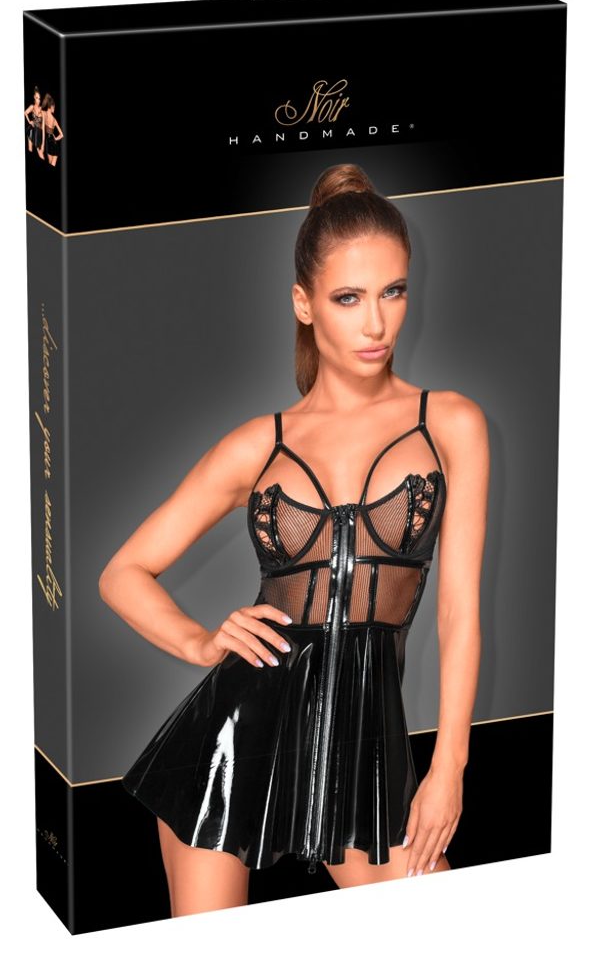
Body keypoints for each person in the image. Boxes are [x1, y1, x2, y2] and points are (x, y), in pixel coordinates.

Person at [99, 162, 488, 917]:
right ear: (304, 304)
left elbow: (458, 614)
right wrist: (200, 642)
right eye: (348, 298)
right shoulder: (258, 444)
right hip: (229, 745)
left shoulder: (450, 423)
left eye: (393, 292)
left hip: (361, 751)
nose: (375, 324)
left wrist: (449, 768)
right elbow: (123, 572)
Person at [40, 93, 63, 166]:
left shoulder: (43, 113)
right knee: (52, 164)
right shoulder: (54, 120)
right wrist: (55, 138)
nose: (54, 109)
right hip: (53, 142)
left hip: (47, 142)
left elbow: (43, 130)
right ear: (51, 106)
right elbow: (62, 135)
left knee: (50, 163)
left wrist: (42, 145)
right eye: (54, 107)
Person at [24, 86, 43, 156]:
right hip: (32, 130)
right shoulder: (32, 106)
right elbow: (25, 113)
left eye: (39, 98)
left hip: (38, 131)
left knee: (39, 151)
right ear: (34, 98)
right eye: (37, 98)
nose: (38, 100)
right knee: (30, 149)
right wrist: (29, 121)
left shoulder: (41, 108)